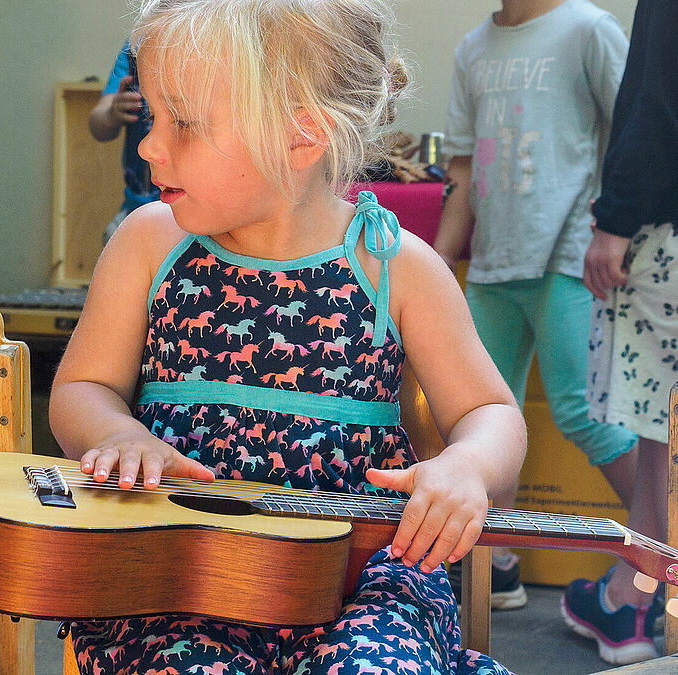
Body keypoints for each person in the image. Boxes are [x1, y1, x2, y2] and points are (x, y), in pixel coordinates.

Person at [49, 0, 526, 672]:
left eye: (183, 123)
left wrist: (467, 466)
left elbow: (492, 412)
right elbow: (81, 386)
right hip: (179, 572)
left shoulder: (394, 266)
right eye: (154, 117)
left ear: (301, 138)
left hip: (366, 580)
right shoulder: (149, 244)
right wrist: (116, 433)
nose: (151, 145)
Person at [433, 0, 637, 618]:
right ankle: (495, 570)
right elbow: (464, 172)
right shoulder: (473, 48)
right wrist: (439, 260)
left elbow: (633, 135)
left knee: (582, 413)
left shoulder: (588, 30)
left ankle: (665, 550)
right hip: (495, 267)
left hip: (568, 258)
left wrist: (613, 228)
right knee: (483, 419)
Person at [564, 0, 678, 665]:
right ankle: (627, 595)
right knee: (660, 431)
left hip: (664, 230)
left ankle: (635, 603)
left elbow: (657, 103)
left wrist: (616, 217)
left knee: (663, 431)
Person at [88, 39, 160, 243]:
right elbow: (97, 124)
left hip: (197, 209)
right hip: (137, 207)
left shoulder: (213, 44)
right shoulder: (135, 47)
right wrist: (112, 113)